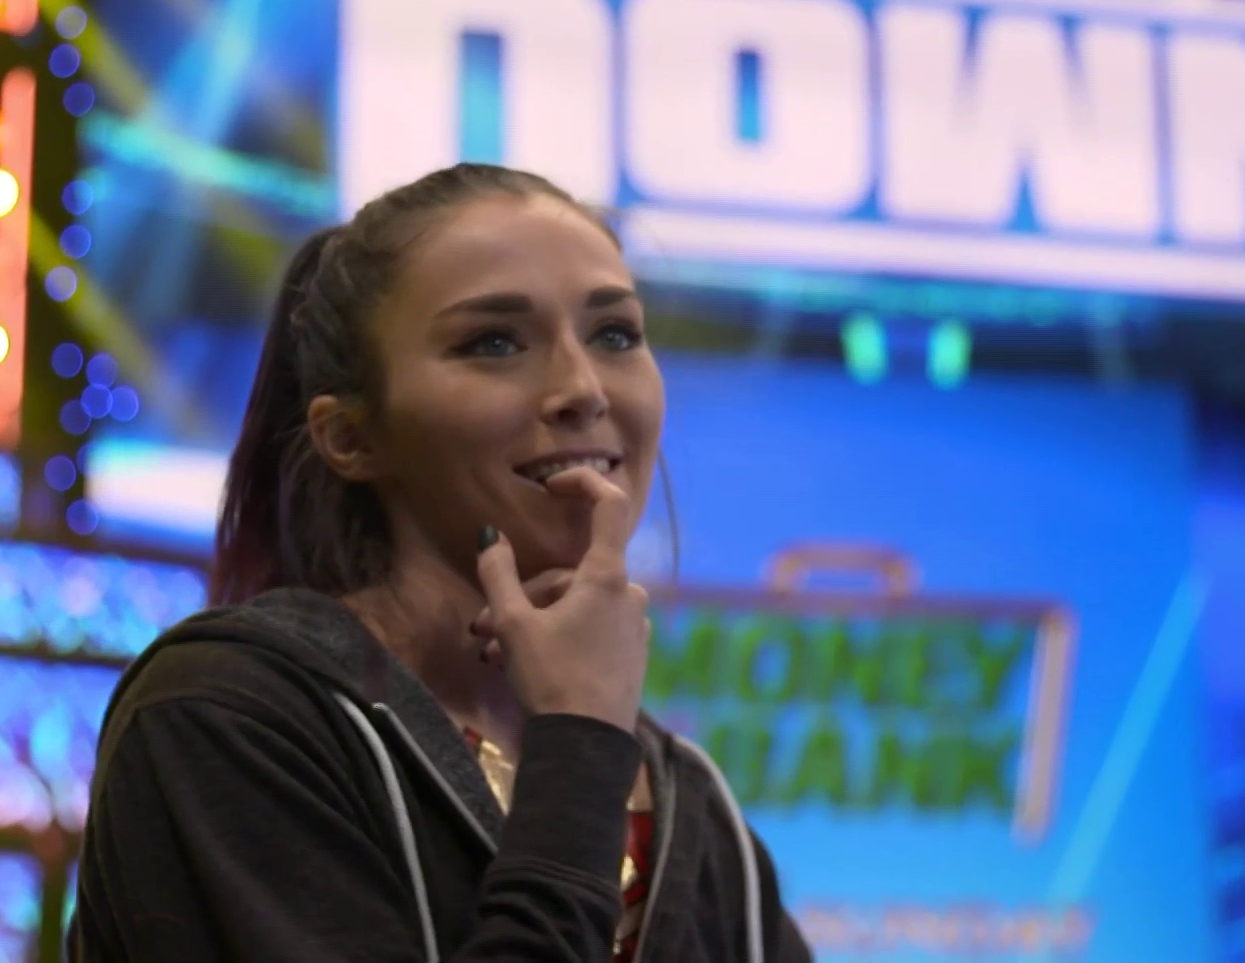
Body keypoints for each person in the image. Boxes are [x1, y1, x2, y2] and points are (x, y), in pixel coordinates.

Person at [68, 163, 813, 962]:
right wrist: (580, 746)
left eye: (616, 335)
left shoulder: (698, 814)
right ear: (351, 436)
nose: (584, 388)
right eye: (494, 343)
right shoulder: (225, 717)